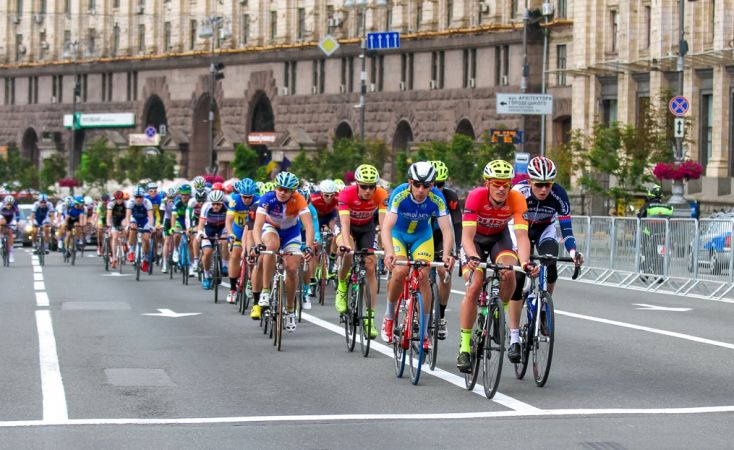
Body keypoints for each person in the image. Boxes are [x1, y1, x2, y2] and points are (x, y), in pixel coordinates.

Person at [456, 160, 536, 373]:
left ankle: (500, 313)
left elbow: (521, 235)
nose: (502, 189)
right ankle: (464, 347)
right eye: (496, 184)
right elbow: (466, 236)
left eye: (506, 184)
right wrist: (472, 256)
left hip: (499, 239)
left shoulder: (517, 198)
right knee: (475, 285)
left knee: (509, 273)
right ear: (487, 184)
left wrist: (526, 262)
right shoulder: (476, 197)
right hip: (475, 242)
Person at [509, 156, 584, 360]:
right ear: (530, 181)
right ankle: (514, 338)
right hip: (519, 229)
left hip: (544, 230)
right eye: (539, 184)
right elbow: (514, 228)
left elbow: (567, 230)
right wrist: (522, 257)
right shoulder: (518, 192)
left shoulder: (559, 195)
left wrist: (573, 252)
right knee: (519, 277)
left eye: (548, 185)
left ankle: (543, 305)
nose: (544, 190)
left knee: (550, 262)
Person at [381, 162, 455, 345]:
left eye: (426, 185)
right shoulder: (400, 194)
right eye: (417, 184)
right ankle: (389, 318)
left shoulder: (437, 198)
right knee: (399, 271)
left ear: (432, 185)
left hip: (422, 237)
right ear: (409, 182)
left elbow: (447, 230)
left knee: (423, 277)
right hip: (398, 235)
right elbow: (387, 226)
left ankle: (424, 332)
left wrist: (447, 254)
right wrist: (389, 252)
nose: (421, 190)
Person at [251, 171, 315, 332]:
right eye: (280, 188)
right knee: (271, 247)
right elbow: (257, 225)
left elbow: (308, 226)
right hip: (271, 228)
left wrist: (308, 246)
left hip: (291, 233)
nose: (282, 192)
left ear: (293, 191)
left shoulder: (299, 199)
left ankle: (290, 310)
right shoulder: (268, 198)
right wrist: (258, 243)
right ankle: (265, 291)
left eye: (286, 190)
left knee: (292, 268)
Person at [334, 164, 388, 338]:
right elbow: (344, 222)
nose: (368, 190)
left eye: (372, 186)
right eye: (364, 186)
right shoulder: (346, 194)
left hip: (366, 228)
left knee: (371, 265)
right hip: (347, 227)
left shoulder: (381, 194)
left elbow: (384, 223)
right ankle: (342, 287)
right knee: (349, 254)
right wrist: (346, 243)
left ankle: (369, 319)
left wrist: (387, 247)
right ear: (357, 183)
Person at [429, 160, 462, 340]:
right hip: (423, 236)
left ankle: (440, 316)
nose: (437, 189)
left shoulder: (450, 196)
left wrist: (458, 250)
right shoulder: (422, 193)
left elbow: (457, 223)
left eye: (441, 185)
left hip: (441, 236)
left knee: (444, 270)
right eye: (434, 184)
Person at [225, 178, 260, 305]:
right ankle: (233, 289)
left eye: (249, 197)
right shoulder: (235, 200)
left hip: (251, 232)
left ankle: (251, 279)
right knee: (235, 254)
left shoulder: (258, 200)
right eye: (244, 197)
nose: (247, 200)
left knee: (253, 256)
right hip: (238, 232)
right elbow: (229, 220)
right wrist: (230, 234)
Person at [197, 190, 230, 290]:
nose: (215, 206)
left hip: (222, 227)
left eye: (218, 204)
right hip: (209, 228)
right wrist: (200, 232)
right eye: (214, 204)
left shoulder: (227, 206)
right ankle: (207, 276)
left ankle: (224, 265)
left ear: (222, 203)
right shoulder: (206, 206)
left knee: (224, 241)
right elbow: (202, 222)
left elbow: (230, 221)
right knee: (207, 253)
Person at [126, 186, 154, 273]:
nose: (138, 199)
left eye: (140, 197)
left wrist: (150, 226)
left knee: (146, 238)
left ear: (143, 197)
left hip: (144, 220)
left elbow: (151, 217)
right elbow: (128, 216)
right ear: (134, 197)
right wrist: (128, 225)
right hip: (134, 219)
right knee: (133, 227)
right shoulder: (130, 202)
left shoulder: (147, 202)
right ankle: (131, 251)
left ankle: (145, 258)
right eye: (136, 197)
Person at [106, 191, 127, 269]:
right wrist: (108, 224)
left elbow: (129, 215)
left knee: (126, 230)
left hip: (123, 219)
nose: (119, 200)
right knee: (114, 236)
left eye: (120, 199)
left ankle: (125, 243)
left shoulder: (126, 204)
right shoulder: (111, 204)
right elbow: (109, 215)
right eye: (117, 199)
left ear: (122, 198)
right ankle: (114, 257)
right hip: (114, 220)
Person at [0, 196, 18, 263]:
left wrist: (17, 222)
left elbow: (17, 214)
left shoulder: (15, 206)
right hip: (2, 217)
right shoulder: (1, 206)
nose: (9, 206)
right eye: (7, 204)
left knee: (10, 233)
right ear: (5, 203)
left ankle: (10, 253)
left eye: (10, 204)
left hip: (10, 219)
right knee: (2, 223)